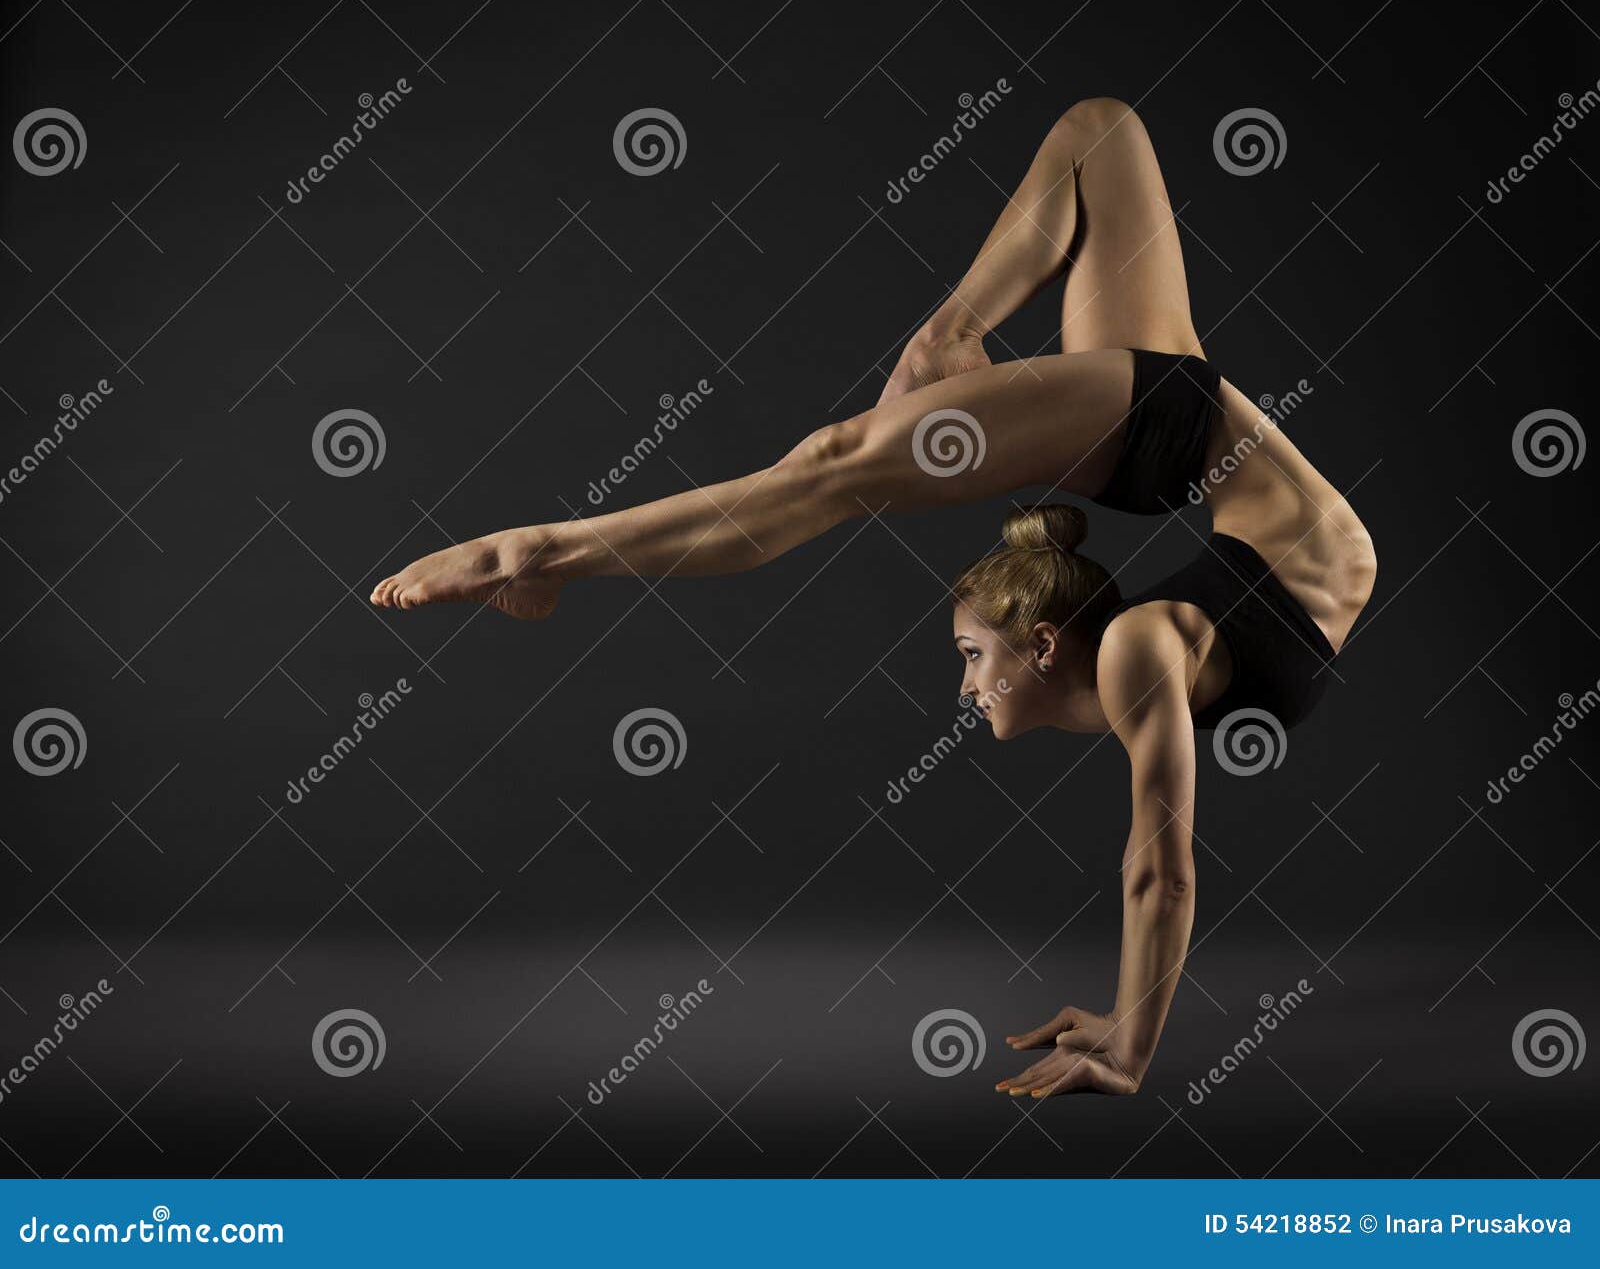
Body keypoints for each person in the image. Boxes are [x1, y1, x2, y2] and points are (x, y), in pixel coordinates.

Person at [370, 97, 1378, 1100]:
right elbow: (1160, 873)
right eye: (971, 656)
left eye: (968, 654)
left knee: (1100, 137)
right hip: (1181, 435)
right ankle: (535, 548)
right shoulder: (1138, 652)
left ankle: (941, 342)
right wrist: (1129, 1048)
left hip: (1183, 440)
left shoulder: (1143, 649)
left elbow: (1158, 870)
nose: (963, 687)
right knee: (830, 462)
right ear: (1044, 642)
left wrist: (1126, 1033)